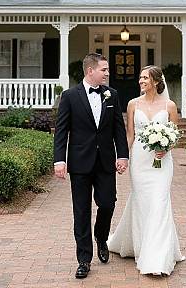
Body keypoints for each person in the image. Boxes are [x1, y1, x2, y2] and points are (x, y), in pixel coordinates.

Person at [53, 53, 129, 279]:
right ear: (90, 71)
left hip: (105, 161)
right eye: (104, 69)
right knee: (81, 212)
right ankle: (84, 260)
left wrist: (123, 155)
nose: (107, 73)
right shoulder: (69, 96)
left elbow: (118, 128)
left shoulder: (112, 95)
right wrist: (59, 159)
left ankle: (101, 236)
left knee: (107, 203)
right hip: (79, 163)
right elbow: (62, 131)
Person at [107, 65, 185, 276]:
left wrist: (165, 148)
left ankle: (156, 257)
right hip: (140, 162)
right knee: (142, 202)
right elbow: (130, 135)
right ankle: (140, 245)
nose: (141, 81)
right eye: (140, 77)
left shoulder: (169, 106)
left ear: (156, 82)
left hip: (161, 163)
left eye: (145, 78)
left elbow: (175, 135)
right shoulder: (133, 104)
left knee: (160, 202)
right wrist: (122, 157)